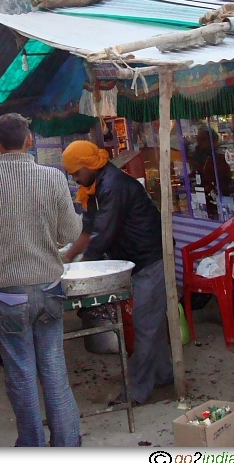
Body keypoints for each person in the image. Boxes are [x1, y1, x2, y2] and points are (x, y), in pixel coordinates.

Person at [0, 113, 82, 447]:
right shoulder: (53, 178)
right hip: (48, 289)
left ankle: (32, 447)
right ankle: (68, 444)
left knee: (22, 376)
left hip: (10, 295)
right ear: (29, 141)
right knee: (54, 371)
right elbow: (71, 231)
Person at [61, 140, 174, 407]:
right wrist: (65, 259)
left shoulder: (114, 186)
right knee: (151, 324)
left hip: (151, 260)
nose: (75, 179)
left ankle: (137, 391)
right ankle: (164, 374)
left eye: (76, 173)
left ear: (88, 165)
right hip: (133, 261)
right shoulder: (91, 189)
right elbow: (87, 233)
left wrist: (82, 272)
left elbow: (101, 237)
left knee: (145, 326)